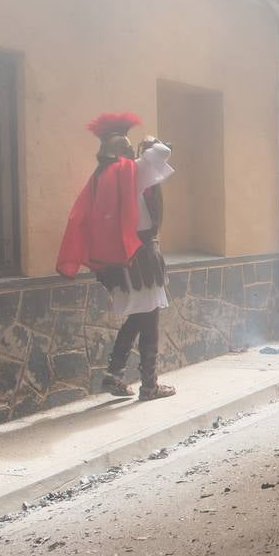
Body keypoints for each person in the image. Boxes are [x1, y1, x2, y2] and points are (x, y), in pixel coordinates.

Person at [56, 112, 177, 401]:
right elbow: (163, 153)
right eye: (127, 146)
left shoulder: (99, 178)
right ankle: (149, 385)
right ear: (122, 150)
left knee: (138, 317)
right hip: (141, 256)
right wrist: (150, 142)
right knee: (149, 320)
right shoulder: (130, 172)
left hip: (120, 261)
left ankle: (114, 375)